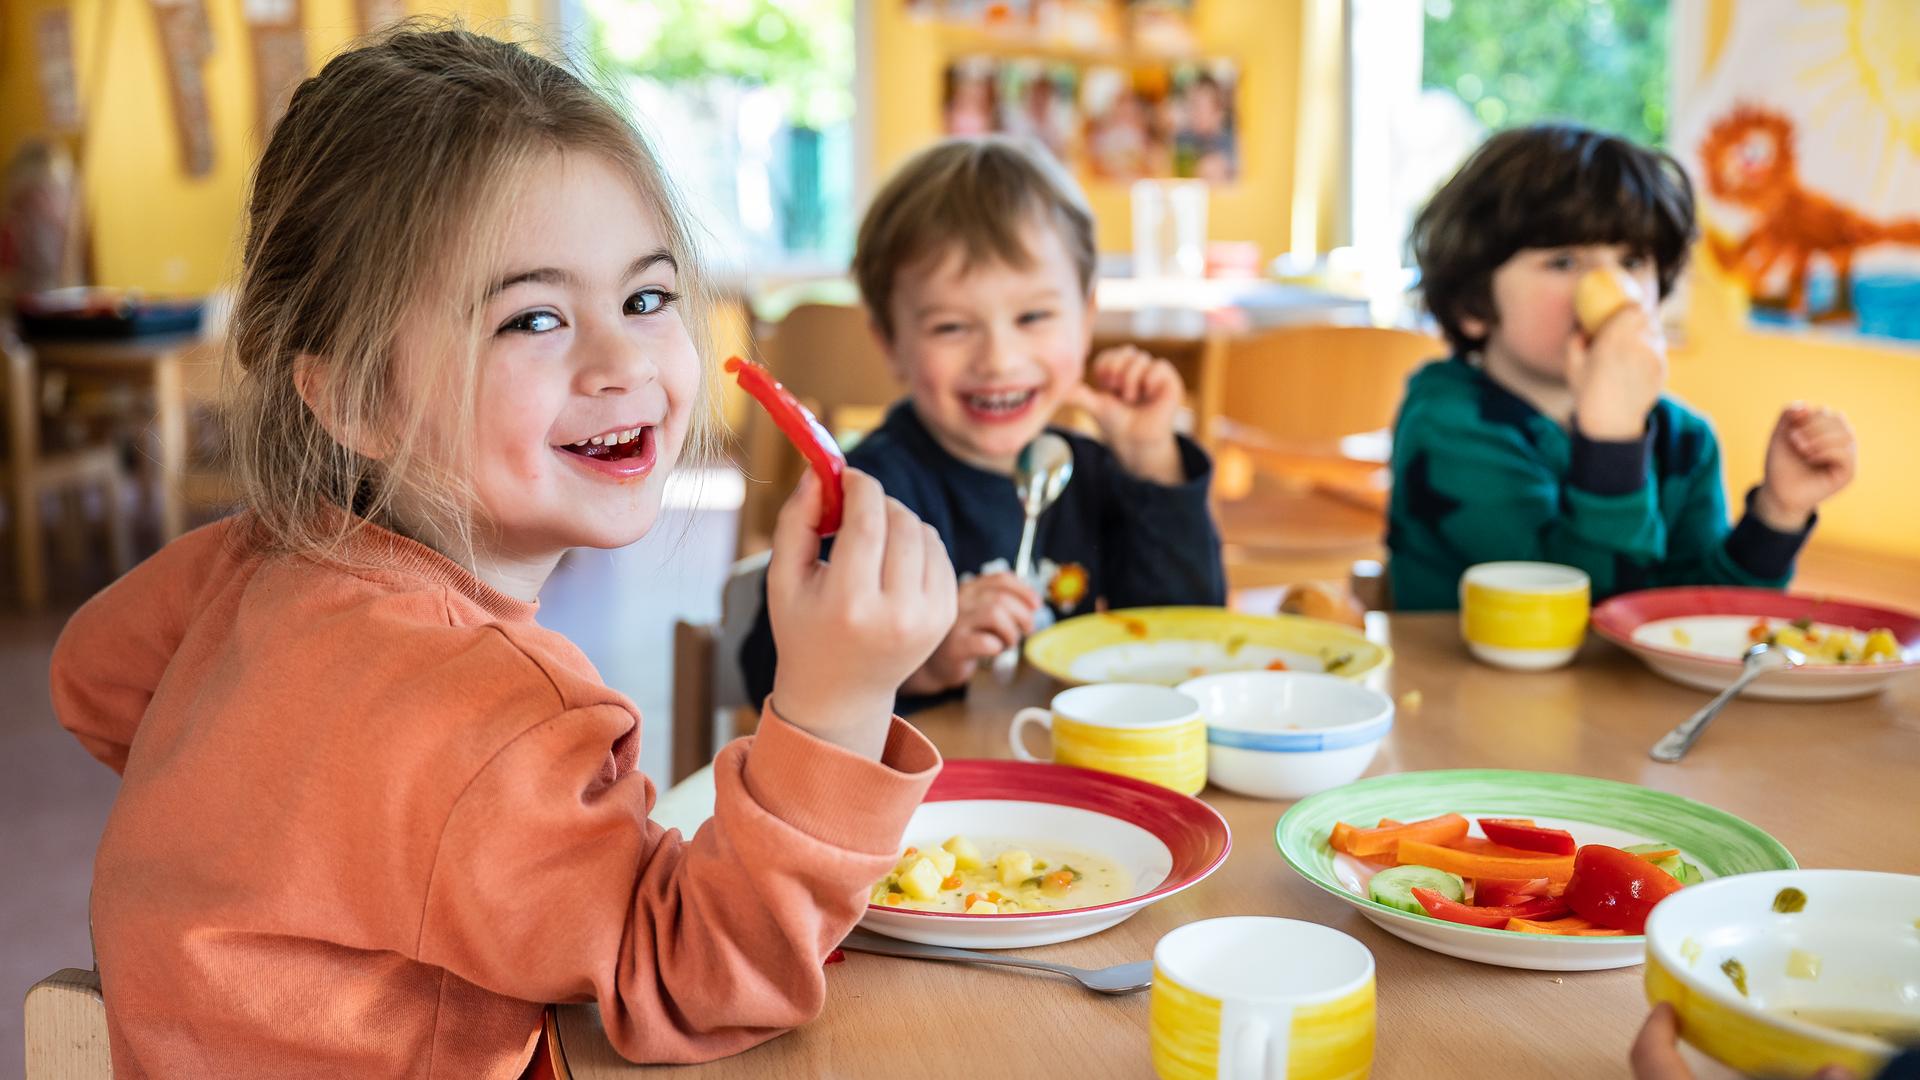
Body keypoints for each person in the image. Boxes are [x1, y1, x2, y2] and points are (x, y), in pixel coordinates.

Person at [49, 25, 956, 1077]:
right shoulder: (490, 716)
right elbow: (697, 979)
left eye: (647, 298)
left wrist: (316, 833)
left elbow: (90, 677)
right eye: (532, 320)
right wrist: (838, 706)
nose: (621, 361)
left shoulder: (250, 562)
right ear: (356, 398)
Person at [740, 135, 1225, 713]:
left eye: (1033, 316)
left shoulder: (1094, 474)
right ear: (890, 342)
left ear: (1086, 319)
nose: (998, 359)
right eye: (951, 327)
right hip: (928, 768)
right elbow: (767, 670)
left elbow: (1183, 639)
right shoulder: (868, 496)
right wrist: (920, 662)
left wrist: (1152, 461)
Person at [1385, 122, 1857, 611]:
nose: (1613, 287)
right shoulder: (1447, 423)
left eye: (1632, 261)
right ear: (1472, 304)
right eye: (1563, 262)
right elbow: (1581, 619)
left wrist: (1778, 512)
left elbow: (1702, 622)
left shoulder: (1684, 441)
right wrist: (1611, 445)